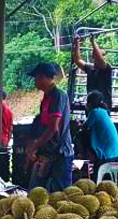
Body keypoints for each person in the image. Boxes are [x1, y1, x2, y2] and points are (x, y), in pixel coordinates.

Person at [26, 62, 74, 191]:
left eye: (35, 77)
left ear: (43, 77)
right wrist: (35, 147)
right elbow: (43, 125)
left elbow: (53, 128)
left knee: (61, 195)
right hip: (46, 153)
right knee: (35, 190)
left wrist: (35, 146)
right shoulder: (46, 98)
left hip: (60, 154)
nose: (34, 81)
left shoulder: (58, 95)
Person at [73, 35, 114, 109]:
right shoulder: (90, 68)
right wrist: (77, 43)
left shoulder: (107, 68)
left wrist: (93, 42)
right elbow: (77, 60)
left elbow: (99, 58)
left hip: (103, 105)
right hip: (91, 105)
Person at [84, 90, 118, 170]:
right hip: (112, 151)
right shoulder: (102, 111)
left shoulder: (95, 112)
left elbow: (84, 127)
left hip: (106, 151)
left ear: (89, 103)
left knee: (98, 174)